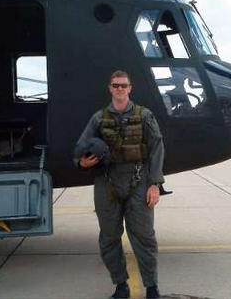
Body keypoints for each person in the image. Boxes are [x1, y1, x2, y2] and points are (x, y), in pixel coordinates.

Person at [74, 70, 164, 298]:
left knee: (144, 236)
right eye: (116, 86)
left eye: (124, 85)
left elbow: (156, 149)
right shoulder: (98, 118)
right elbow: (81, 146)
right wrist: (81, 162)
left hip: (138, 181)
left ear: (130, 88)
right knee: (109, 237)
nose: (120, 89)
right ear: (110, 88)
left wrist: (155, 184)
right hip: (107, 183)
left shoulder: (145, 116)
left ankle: (152, 286)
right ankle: (120, 285)